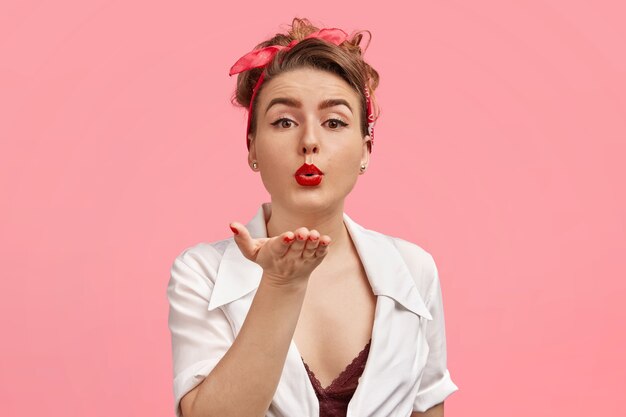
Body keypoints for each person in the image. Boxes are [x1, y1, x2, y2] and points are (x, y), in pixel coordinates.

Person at [167, 17, 458, 417]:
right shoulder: (200, 272)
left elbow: (428, 408)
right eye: (284, 121)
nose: (309, 141)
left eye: (334, 122)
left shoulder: (414, 270)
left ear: (365, 150)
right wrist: (280, 285)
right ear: (251, 145)